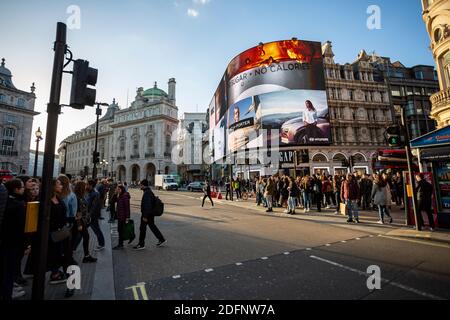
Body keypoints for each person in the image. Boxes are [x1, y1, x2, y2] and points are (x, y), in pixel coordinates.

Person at [0, 179, 26, 300]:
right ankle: (8, 292)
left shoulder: (7, 202)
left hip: (6, 240)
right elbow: (21, 227)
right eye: (22, 188)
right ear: (16, 189)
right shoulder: (19, 205)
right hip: (13, 241)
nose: (24, 189)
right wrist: (26, 244)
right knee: (9, 268)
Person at [134, 180, 166, 250]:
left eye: (140, 185)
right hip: (150, 213)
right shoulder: (148, 191)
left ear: (143, 185)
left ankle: (141, 244)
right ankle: (161, 239)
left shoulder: (147, 193)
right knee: (152, 226)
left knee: (142, 229)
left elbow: (147, 205)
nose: (140, 186)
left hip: (147, 214)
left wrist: (145, 216)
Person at [72, 181, 97, 263]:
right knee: (83, 236)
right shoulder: (76, 197)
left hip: (83, 220)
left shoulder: (82, 196)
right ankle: (84, 256)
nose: (86, 187)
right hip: (79, 221)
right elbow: (77, 212)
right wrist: (79, 224)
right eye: (85, 186)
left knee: (79, 237)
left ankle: (85, 255)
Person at [86, 179, 105, 251]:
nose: (86, 186)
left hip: (92, 216)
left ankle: (101, 244)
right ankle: (74, 247)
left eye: (87, 184)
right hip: (89, 215)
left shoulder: (95, 193)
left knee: (97, 230)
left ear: (91, 185)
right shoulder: (90, 192)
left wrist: (89, 215)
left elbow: (94, 206)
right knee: (83, 231)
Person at [114, 185, 131, 249]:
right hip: (119, 215)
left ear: (122, 189)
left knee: (121, 230)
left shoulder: (124, 196)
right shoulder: (119, 195)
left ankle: (120, 244)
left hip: (123, 216)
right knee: (120, 230)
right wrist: (115, 194)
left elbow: (127, 208)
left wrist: (127, 217)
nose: (117, 190)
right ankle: (121, 243)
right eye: (117, 189)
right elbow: (112, 201)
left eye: (118, 189)